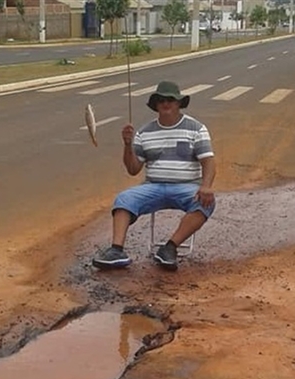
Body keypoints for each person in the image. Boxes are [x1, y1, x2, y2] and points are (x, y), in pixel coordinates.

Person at [92, 81, 216, 272]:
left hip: (187, 186)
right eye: (161, 100)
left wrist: (206, 185)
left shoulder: (196, 128)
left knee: (206, 201)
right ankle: (116, 250)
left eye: (170, 100)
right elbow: (133, 169)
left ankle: (170, 248)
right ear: (155, 105)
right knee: (124, 198)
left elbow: (208, 162)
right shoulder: (144, 132)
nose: (166, 103)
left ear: (178, 103)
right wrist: (127, 145)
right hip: (153, 186)